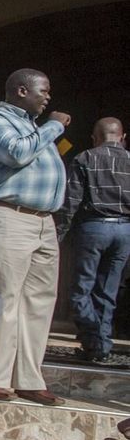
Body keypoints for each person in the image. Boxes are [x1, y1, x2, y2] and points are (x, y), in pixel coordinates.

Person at [0, 68, 71, 405]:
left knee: (39, 301)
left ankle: (27, 376)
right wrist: (54, 126)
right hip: (7, 216)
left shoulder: (32, 127)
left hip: (42, 221)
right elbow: (16, 153)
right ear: (22, 90)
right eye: (44, 90)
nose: (48, 97)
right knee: (4, 297)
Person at [55, 118, 130, 364]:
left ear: (95, 137)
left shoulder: (85, 158)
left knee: (80, 291)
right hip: (124, 230)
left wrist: (60, 233)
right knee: (107, 291)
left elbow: (72, 201)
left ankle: (94, 336)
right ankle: (99, 346)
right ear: (123, 136)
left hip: (94, 228)